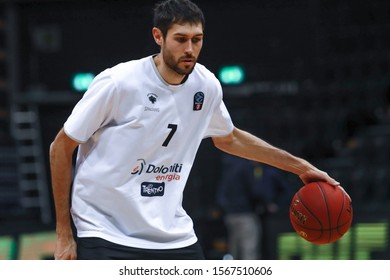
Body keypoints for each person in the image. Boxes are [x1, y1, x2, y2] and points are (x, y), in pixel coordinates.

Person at [49, 0, 339, 260]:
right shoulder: (119, 82)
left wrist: (300, 167)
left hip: (173, 236)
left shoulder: (206, 85)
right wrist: (64, 232)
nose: (190, 49)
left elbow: (230, 138)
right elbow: (61, 147)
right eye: (181, 39)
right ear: (158, 37)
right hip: (105, 232)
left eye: (197, 40)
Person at [216, 154, 290, 260]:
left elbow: (221, 193)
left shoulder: (229, 167)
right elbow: (255, 190)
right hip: (246, 214)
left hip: (230, 215)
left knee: (234, 250)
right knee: (249, 250)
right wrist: (265, 203)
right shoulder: (245, 166)